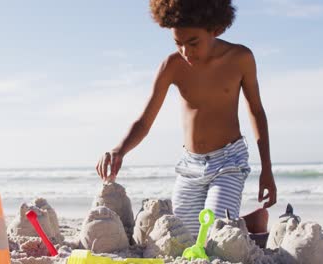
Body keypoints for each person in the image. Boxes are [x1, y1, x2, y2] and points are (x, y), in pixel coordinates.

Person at [96, 0, 276, 237]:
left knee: (213, 234)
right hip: (190, 166)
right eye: (178, 43)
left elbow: (256, 110)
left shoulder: (240, 58)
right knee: (185, 237)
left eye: (193, 42)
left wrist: (267, 169)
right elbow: (144, 121)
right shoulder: (171, 66)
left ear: (216, 29)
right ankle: (248, 223)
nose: (185, 51)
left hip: (229, 161)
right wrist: (120, 149)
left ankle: (240, 225)